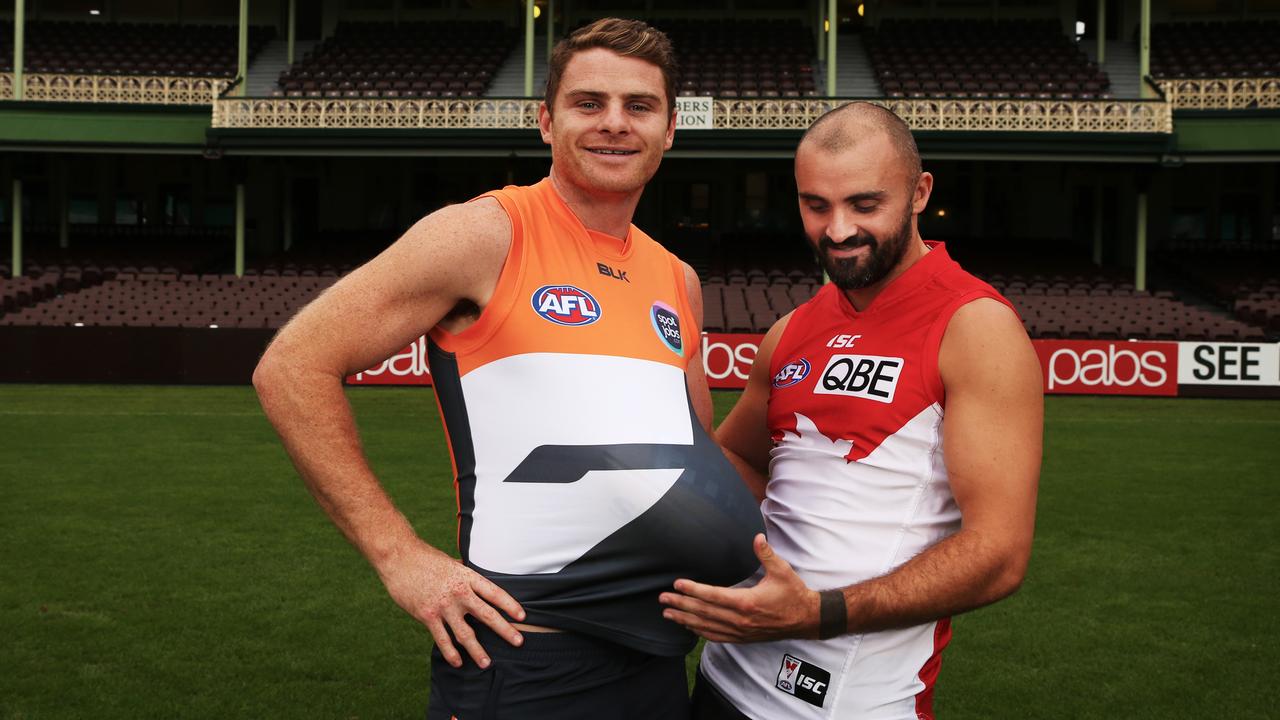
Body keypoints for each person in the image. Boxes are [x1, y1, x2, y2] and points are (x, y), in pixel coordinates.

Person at [253, 18, 764, 720]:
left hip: (655, 662)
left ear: (670, 128)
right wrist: (399, 554)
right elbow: (292, 365)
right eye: (589, 103)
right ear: (546, 122)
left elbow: (687, 454)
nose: (614, 124)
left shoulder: (678, 279)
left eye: (638, 106)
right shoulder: (483, 233)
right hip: (525, 659)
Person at [659, 102, 1043, 719]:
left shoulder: (975, 326)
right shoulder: (791, 330)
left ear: (919, 193)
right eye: (816, 205)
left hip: (852, 704)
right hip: (723, 678)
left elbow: (998, 554)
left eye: (865, 205)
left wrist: (819, 613)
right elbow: (738, 458)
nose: (838, 230)